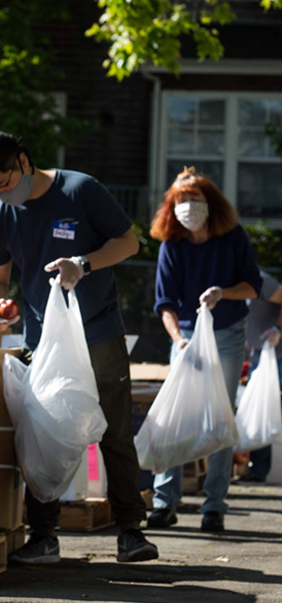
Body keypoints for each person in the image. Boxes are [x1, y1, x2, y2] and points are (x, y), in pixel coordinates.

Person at [0, 129, 158, 564]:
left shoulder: (80, 190)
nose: (1, 195)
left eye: (3, 184)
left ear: (22, 160)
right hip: (43, 338)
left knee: (114, 431)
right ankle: (43, 535)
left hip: (98, 330)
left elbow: (129, 241)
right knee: (41, 433)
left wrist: (84, 264)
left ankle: (131, 531)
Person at [149, 169, 262, 530]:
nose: (187, 208)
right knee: (176, 414)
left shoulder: (232, 238)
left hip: (227, 333)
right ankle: (164, 501)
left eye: (194, 200)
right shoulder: (172, 245)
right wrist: (178, 341)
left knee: (219, 417)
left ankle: (214, 505)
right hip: (184, 334)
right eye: (181, 201)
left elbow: (252, 286)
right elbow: (164, 303)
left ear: (210, 204)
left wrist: (221, 292)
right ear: (171, 207)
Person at [241, 269, 282, 482]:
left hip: (276, 355)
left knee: (267, 409)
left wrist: (277, 328)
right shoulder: (234, 282)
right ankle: (257, 471)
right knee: (260, 409)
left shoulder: (260, 279)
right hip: (261, 355)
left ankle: (259, 470)